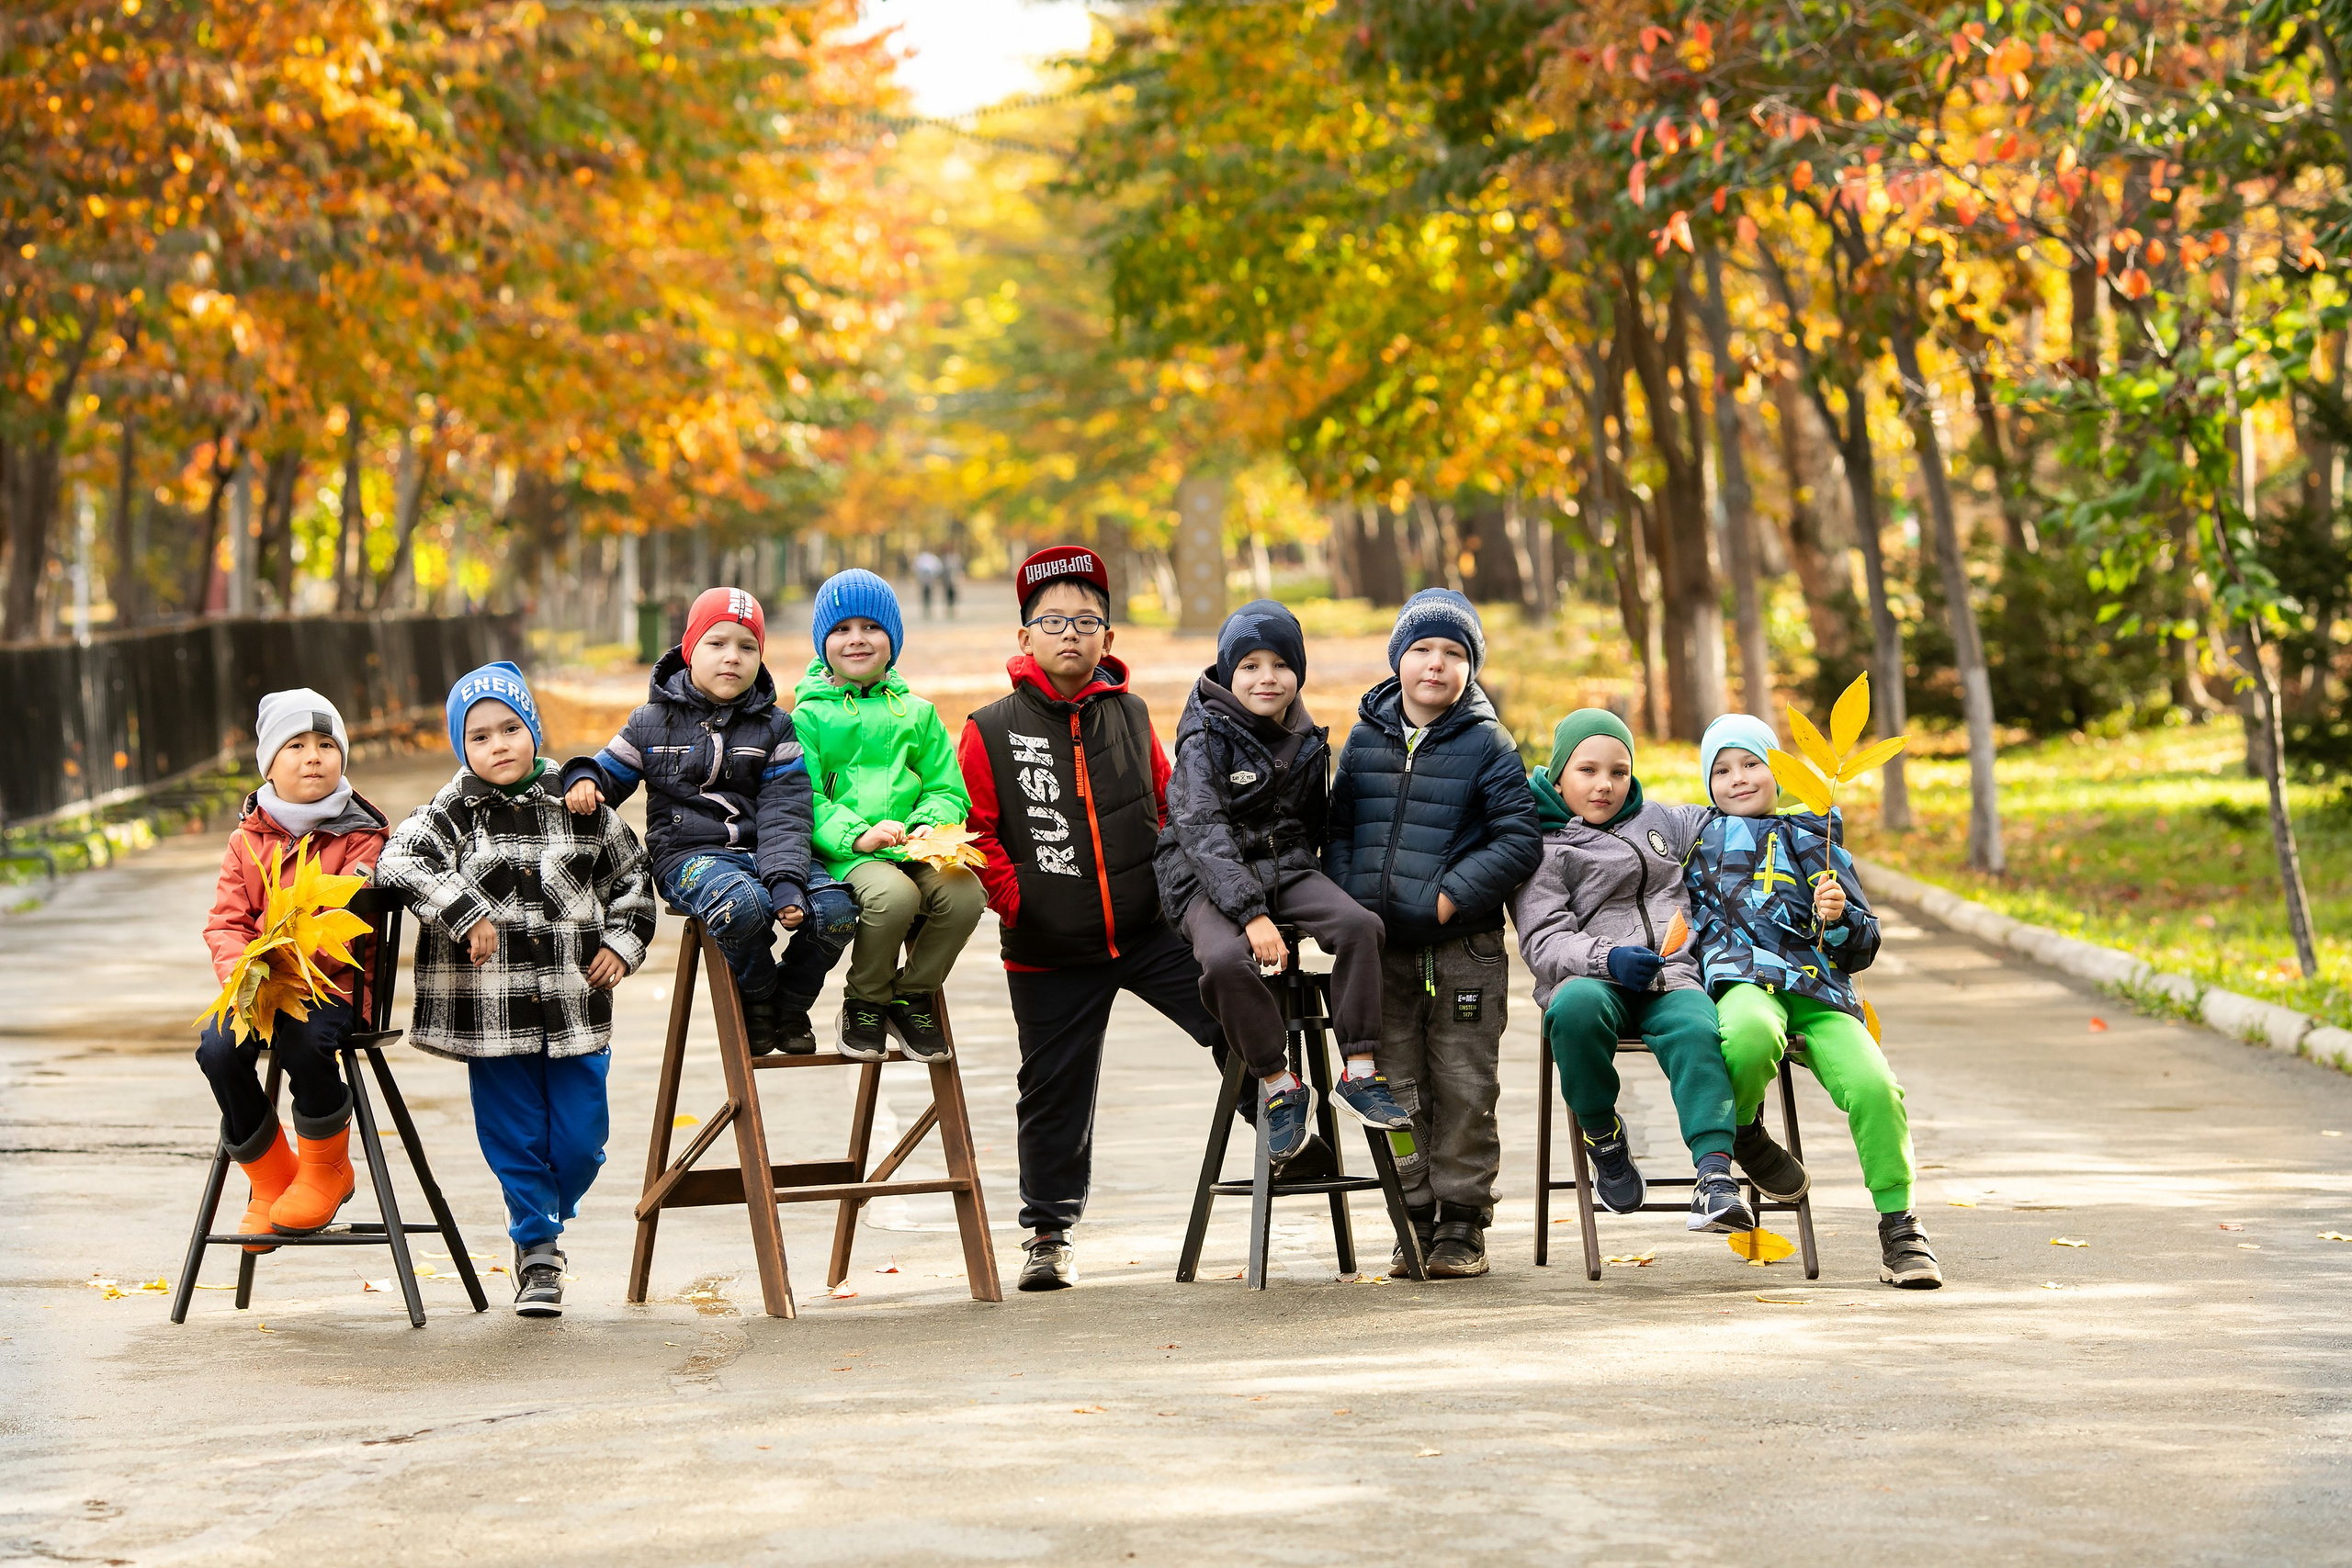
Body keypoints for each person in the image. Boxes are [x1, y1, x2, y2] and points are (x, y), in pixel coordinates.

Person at [957, 545, 1227, 1292]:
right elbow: (977, 835)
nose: (1070, 633)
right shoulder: (991, 727)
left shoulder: (1132, 715)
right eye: (1052, 621)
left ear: (1109, 637)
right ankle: (1049, 1232)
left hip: (1148, 930)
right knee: (1053, 1088)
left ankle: (1287, 1140)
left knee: (1235, 1009)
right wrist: (1024, 903)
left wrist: (1183, 896)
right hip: (1048, 947)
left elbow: (1171, 808)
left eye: (1086, 620)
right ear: (1025, 639)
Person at [377, 662, 655, 1316]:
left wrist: (621, 942)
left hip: (575, 1007)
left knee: (581, 1143)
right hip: (490, 1018)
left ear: (532, 727)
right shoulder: (452, 812)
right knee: (515, 1139)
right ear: (462, 747)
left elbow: (633, 879)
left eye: (511, 728)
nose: (498, 744)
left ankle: (550, 1208)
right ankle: (536, 1252)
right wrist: (462, 910)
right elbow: (400, 859)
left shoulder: (578, 802)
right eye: (479, 736)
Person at [1327, 590, 1543, 1279]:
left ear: (1471, 668)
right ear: (1398, 660)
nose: (1435, 664)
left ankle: (1461, 1223)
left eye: (1454, 653)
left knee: (1463, 1083)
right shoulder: (1365, 738)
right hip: (1383, 950)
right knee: (1394, 1085)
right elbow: (1340, 830)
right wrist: (1350, 903)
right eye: (1421, 649)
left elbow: (1517, 838)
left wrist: (1451, 897)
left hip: (1463, 950)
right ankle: (1410, 1215)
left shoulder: (1488, 741)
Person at [1686, 714, 1940, 1288]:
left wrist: (1839, 917)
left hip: (1818, 989)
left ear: (1780, 771)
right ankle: (1743, 1130)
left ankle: (1900, 1226)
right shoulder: (1695, 841)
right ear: (1708, 784)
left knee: (1876, 1086)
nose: (1739, 779)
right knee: (1747, 1037)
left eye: (1753, 764)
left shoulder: (1813, 838)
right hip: (1742, 981)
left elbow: (1863, 944)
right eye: (1722, 770)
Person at [1156, 600, 1410, 1168]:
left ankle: (1361, 1072)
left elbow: (1311, 826)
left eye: (1280, 665)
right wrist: (1251, 916)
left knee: (1360, 927)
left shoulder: (1304, 734)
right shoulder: (1204, 738)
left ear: (1298, 671)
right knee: (1224, 961)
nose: (1266, 678)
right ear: (1226, 672)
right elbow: (1204, 832)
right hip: (1203, 876)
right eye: (1249, 666)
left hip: (1284, 866)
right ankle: (1278, 1084)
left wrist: (1326, 896)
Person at [560, 587, 854, 1055]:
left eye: (747, 647)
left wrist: (786, 880)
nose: (732, 658)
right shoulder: (650, 722)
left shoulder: (775, 726)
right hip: (688, 856)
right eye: (716, 644)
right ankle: (758, 996)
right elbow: (606, 776)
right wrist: (581, 777)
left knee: (837, 912)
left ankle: (792, 1002)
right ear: (689, 649)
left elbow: (786, 809)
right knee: (745, 905)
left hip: (765, 854)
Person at [1510, 708, 1754, 1239]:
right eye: (1588, 771)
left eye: (1619, 772)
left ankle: (1714, 1176)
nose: (1605, 785)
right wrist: (1607, 958)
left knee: (1697, 1026)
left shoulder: (1661, 821)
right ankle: (1602, 1134)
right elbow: (1543, 940)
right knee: (1572, 1011)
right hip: (1593, 980)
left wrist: (1801, 815)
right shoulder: (1542, 846)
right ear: (1557, 774)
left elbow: (1731, 813)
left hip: (1668, 978)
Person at [197, 690, 390, 1250]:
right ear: (269, 765)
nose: (314, 757)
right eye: (297, 745)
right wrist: (243, 976)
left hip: (336, 989)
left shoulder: (363, 837)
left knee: (307, 1041)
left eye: (327, 745)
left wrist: (295, 958)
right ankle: (272, 1175)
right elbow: (226, 923)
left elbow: (350, 922)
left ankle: (326, 1165)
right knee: (216, 1049)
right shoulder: (246, 841)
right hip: (261, 986)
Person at [794, 569, 986, 1060]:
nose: (857, 639)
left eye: (871, 628)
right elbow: (804, 798)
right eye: (841, 630)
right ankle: (865, 999)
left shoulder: (918, 714)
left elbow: (948, 788)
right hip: (848, 855)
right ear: (823, 642)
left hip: (913, 846)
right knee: (894, 898)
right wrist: (857, 836)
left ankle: (911, 993)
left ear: (892, 639)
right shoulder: (808, 717)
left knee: (966, 895)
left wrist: (931, 822)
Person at [915, 549, 944, 618]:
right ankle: (926, 610)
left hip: (930, 581)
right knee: (925, 596)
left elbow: (939, 568)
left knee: (929, 596)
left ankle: (928, 610)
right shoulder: (924, 559)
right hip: (925, 581)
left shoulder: (931, 559)